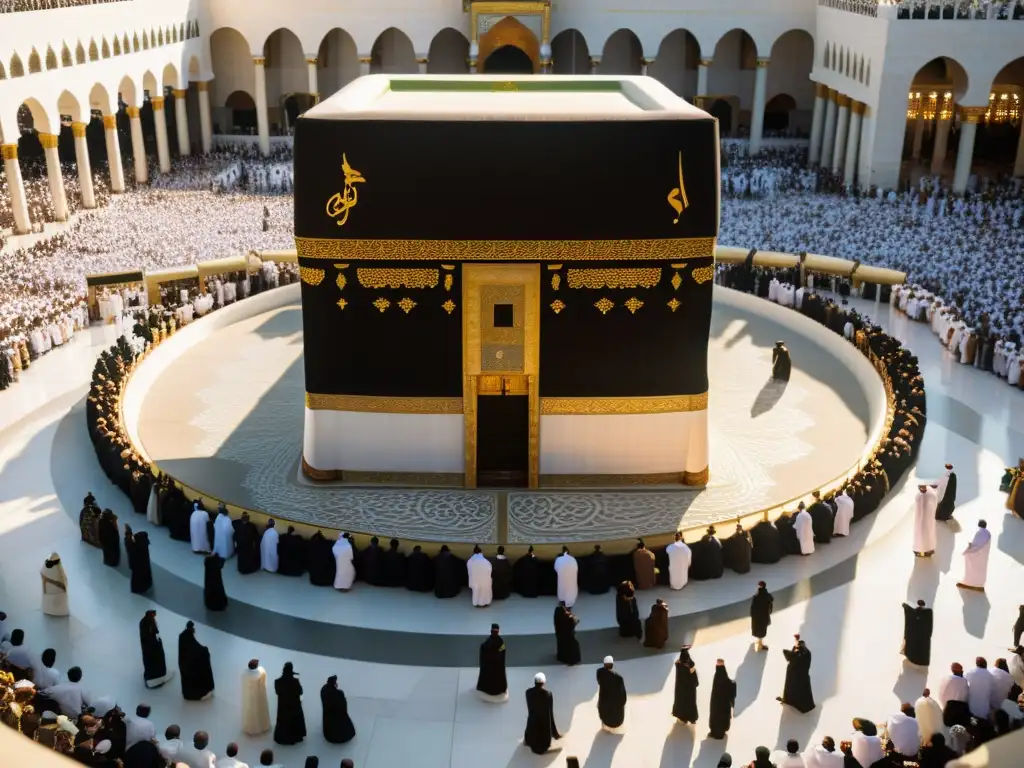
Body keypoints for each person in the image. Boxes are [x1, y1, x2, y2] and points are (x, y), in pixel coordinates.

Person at [523, 672, 561, 754]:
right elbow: (550, 714)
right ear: (543, 682)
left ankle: (528, 739)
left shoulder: (528, 692)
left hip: (532, 728)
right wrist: (555, 733)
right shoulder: (548, 694)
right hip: (544, 736)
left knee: (532, 716)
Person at [178, 622, 215, 701]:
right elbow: (198, 651)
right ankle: (202, 691)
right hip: (198, 692)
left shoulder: (182, 639)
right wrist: (205, 650)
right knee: (203, 658)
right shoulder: (199, 650)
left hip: (186, 690)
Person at [779, 635, 815, 712]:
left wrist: (790, 651)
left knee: (791, 689)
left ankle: (790, 701)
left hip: (794, 676)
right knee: (803, 691)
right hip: (803, 676)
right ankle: (803, 705)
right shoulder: (807, 653)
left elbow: (788, 655)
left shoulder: (797, 655)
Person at [273, 662, 306, 745]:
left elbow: (277, 692)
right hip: (294, 706)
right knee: (294, 721)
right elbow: (300, 692)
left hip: (283, 707)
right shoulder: (295, 681)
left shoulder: (277, 681)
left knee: (283, 722)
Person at [139, 611, 173, 689]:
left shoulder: (143, 624)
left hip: (148, 649)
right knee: (156, 657)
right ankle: (159, 676)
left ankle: (153, 675)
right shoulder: (149, 625)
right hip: (153, 650)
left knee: (150, 657)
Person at [957, 520, 991, 592]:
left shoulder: (980, 533)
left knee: (973, 568)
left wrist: (969, 548)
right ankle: (979, 584)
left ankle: (970, 583)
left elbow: (976, 546)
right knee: (981, 569)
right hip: (983, 556)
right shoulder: (988, 533)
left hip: (977, 555)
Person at [477, 624, 508, 702]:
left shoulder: (495, 642)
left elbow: (501, 652)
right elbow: (502, 652)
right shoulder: (498, 642)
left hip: (494, 667)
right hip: (494, 667)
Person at [596, 656, 627, 733]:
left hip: (605, 718)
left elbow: (599, 677)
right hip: (618, 720)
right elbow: (623, 699)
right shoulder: (619, 679)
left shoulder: (600, 674)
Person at [320, 675, 355, 744]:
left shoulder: (324, 690)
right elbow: (343, 707)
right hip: (339, 721)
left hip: (329, 722)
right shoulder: (339, 694)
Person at [707, 659, 736, 740]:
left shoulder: (718, 677)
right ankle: (722, 730)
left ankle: (716, 733)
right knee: (722, 717)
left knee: (716, 718)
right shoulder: (726, 679)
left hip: (716, 704)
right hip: (724, 704)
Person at [242, 659, 271, 736]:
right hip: (259, 695)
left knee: (251, 711)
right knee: (260, 710)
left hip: (249, 695)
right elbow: (263, 682)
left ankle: (251, 727)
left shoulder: (245, 673)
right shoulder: (260, 672)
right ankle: (263, 726)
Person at [672, 646, 699, 724]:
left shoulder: (678, 666)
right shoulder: (690, 667)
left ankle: (683, 717)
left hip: (680, 690)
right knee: (690, 704)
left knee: (681, 703)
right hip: (690, 690)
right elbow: (695, 680)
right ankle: (692, 718)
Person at [902, 599, 933, 666]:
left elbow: (911, 613)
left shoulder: (926, 612)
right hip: (922, 636)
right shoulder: (927, 612)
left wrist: (906, 607)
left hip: (922, 636)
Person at [938, 662, 970, 727]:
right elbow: (966, 696)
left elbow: (942, 695)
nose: (962, 671)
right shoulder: (963, 681)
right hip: (960, 710)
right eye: (961, 670)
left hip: (948, 710)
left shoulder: (945, 679)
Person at [913, 484, 938, 557]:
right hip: (920, 520)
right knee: (920, 534)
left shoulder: (929, 495)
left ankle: (928, 549)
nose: (922, 488)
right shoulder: (919, 496)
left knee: (927, 533)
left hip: (927, 519)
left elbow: (934, 503)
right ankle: (920, 549)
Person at [554, 601, 581, 665]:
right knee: (572, 645)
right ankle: (572, 660)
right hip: (567, 635)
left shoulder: (558, 610)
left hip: (561, 633)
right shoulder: (565, 614)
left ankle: (562, 657)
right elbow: (570, 624)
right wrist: (574, 621)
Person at [751, 581, 773, 652]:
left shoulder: (756, 596)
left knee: (758, 630)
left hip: (756, 617)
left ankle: (759, 645)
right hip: (764, 616)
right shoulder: (767, 596)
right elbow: (770, 601)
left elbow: (753, 608)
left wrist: (753, 615)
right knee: (761, 631)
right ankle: (759, 646)